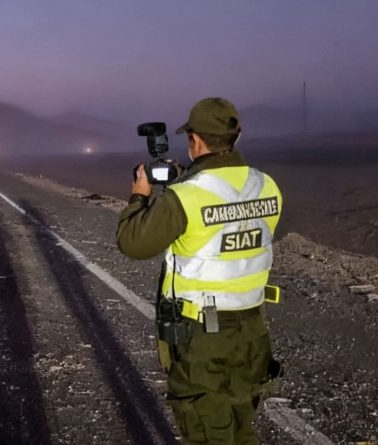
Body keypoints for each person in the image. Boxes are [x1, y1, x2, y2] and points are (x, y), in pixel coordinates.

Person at [116, 97, 282, 444]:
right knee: (242, 425)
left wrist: (139, 197)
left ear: (196, 141)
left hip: (203, 337)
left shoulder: (186, 196)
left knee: (208, 431)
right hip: (252, 332)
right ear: (238, 135)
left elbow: (133, 243)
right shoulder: (266, 186)